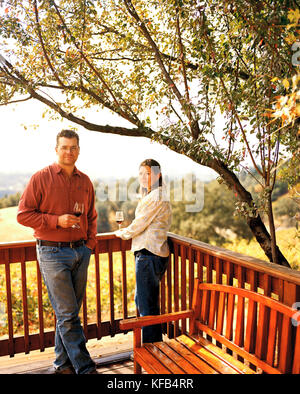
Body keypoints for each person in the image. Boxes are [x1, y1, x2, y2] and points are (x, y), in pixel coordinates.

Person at [17, 129, 98, 374]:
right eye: (64, 147)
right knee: (68, 313)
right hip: (52, 253)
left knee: (69, 314)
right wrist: (56, 221)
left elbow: (91, 216)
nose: (68, 152)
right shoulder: (40, 178)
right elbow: (23, 214)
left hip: (80, 252)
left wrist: (89, 246)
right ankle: (85, 368)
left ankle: (62, 364)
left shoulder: (84, 181)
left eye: (73, 147)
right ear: (56, 150)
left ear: (79, 151)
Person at [115, 159, 172, 343]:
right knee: (143, 302)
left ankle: (151, 349)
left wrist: (123, 233)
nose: (143, 177)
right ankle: (154, 347)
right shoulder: (154, 195)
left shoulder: (156, 196)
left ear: (157, 175)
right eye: (140, 173)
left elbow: (140, 223)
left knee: (147, 307)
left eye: (147, 173)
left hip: (149, 255)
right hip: (151, 254)